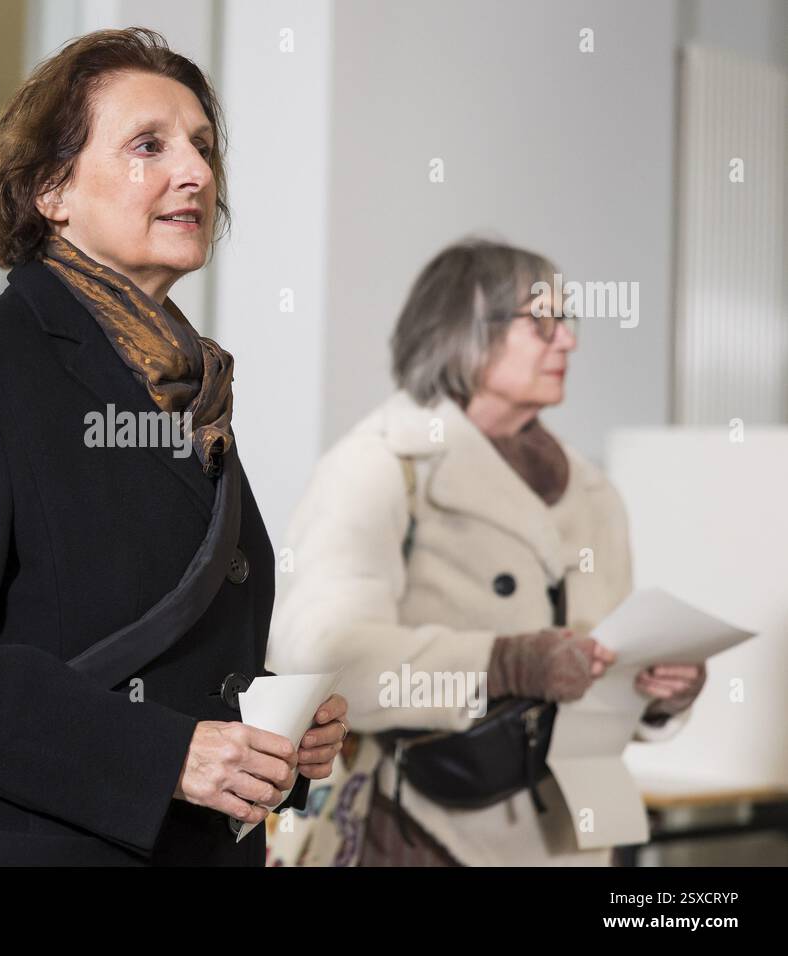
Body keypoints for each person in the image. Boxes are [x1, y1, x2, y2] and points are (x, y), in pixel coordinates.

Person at [0, 27, 345, 866]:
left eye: (203, 147)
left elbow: (158, 655)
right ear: (51, 191)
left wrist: (273, 737)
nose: (198, 173)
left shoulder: (188, 384)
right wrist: (162, 757)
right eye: (150, 145)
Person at [267, 239, 705, 865]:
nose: (569, 342)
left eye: (567, 322)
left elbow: (604, 668)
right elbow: (319, 659)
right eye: (542, 323)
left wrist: (660, 689)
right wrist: (504, 664)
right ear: (463, 333)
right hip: (418, 834)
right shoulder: (379, 466)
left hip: (573, 839)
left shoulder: (593, 492)